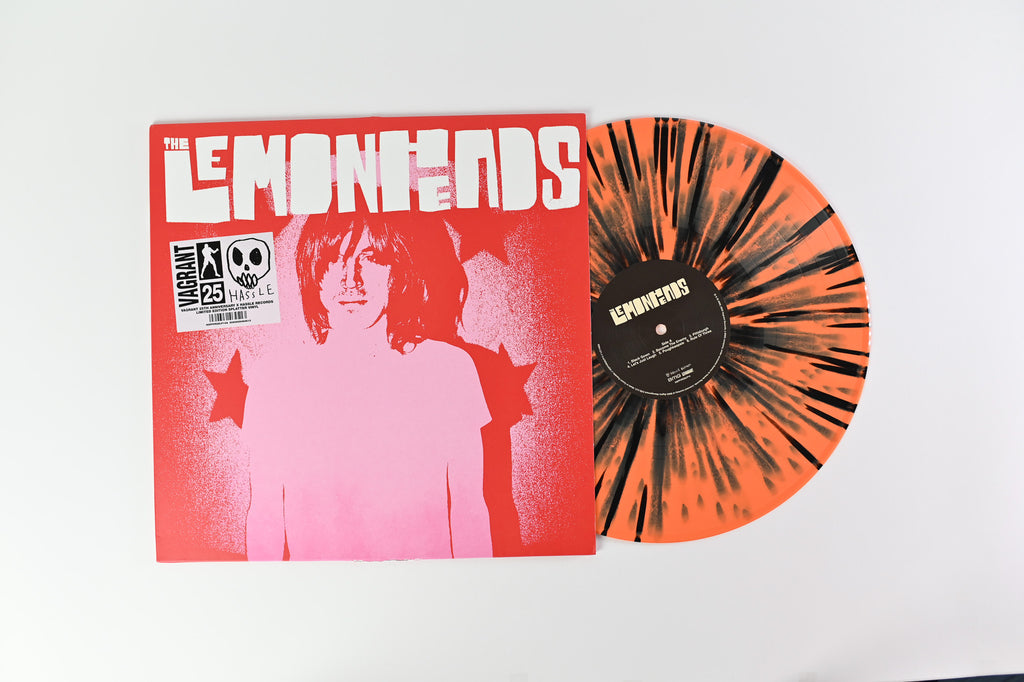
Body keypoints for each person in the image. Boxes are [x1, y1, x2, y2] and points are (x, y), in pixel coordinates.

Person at [243, 212, 492, 561]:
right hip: (321, 590)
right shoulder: (276, 377)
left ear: (396, 271)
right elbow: (265, 515)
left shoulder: (449, 369)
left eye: (370, 259)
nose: (351, 281)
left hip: (426, 588)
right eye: (334, 260)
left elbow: (469, 509)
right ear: (313, 272)